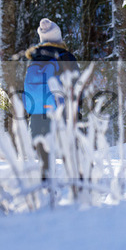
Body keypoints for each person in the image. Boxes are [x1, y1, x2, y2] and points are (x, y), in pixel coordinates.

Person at [23, 18, 80, 180]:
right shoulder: (66, 57)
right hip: (60, 110)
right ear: (58, 37)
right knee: (69, 147)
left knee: (43, 149)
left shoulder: (34, 58)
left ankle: (45, 178)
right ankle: (74, 182)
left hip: (37, 111)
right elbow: (76, 84)